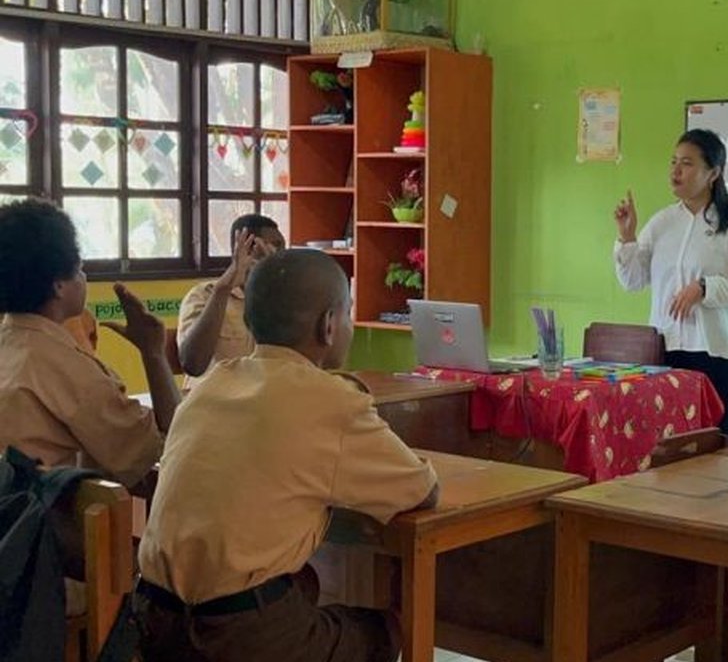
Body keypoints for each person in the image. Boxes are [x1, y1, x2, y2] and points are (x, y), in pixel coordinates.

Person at [135, 249, 439, 662]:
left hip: (154, 624)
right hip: (238, 637)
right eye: (347, 314)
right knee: (387, 626)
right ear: (329, 325)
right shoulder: (330, 400)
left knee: (305, 586)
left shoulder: (209, 385)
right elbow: (422, 493)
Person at [0, 199, 179, 490]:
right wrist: (153, 352)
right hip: (41, 528)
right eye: (80, 269)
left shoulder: (11, 343)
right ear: (58, 284)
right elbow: (163, 447)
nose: (84, 277)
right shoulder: (65, 365)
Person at [613, 129, 728, 444]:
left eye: (686, 164)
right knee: (670, 451)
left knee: (722, 454)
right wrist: (627, 237)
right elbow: (632, 281)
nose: (675, 171)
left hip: (720, 352)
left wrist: (705, 288)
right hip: (668, 350)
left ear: (713, 173)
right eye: (673, 162)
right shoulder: (661, 223)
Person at [177, 213, 284, 388]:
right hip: (211, 402)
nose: (282, 255)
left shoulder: (282, 297)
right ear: (248, 247)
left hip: (261, 400)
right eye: (276, 246)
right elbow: (193, 364)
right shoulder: (204, 295)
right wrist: (223, 289)